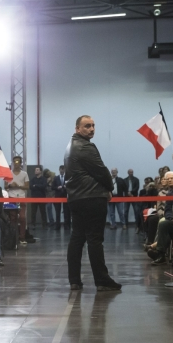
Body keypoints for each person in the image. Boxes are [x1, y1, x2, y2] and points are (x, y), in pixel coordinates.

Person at [64, 115, 121, 292]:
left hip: (76, 198)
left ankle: (74, 280)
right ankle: (102, 280)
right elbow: (101, 171)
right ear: (77, 129)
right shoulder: (85, 147)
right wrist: (110, 188)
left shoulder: (70, 146)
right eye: (87, 126)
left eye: (93, 125)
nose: (92, 129)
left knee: (77, 238)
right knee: (95, 240)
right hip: (92, 197)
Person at [5, 156, 29, 245]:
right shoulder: (8, 173)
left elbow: (27, 186)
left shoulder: (24, 174)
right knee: (13, 218)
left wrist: (18, 186)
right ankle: (13, 237)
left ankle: (22, 237)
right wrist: (11, 186)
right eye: (14, 161)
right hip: (11, 197)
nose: (16, 163)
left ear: (20, 163)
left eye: (18, 161)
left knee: (22, 217)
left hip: (21, 197)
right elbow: (5, 186)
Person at [52, 165, 70, 230]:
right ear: (59, 170)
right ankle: (57, 226)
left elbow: (70, 186)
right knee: (57, 212)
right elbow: (52, 187)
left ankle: (66, 225)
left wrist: (66, 187)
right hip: (58, 196)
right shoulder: (56, 178)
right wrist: (57, 187)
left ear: (64, 170)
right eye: (61, 169)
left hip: (65, 196)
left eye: (63, 169)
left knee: (66, 212)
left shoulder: (67, 178)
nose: (62, 171)